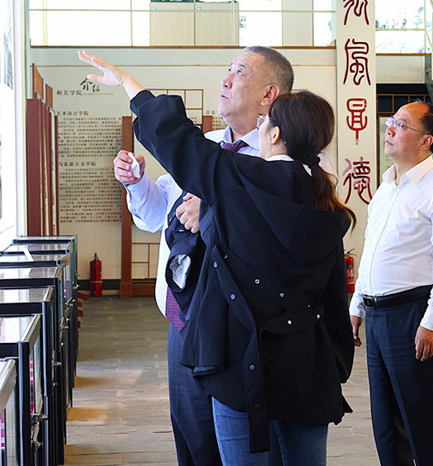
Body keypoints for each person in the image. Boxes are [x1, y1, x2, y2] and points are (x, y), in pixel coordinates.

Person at [81, 50, 355, 466]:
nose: (226, 80)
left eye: (239, 72)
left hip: (240, 346)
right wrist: (334, 361)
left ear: (273, 125)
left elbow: (177, 140)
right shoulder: (319, 190)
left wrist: (127, 83)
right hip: (298, 354)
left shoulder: (243, 177)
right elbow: (333, 289)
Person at [113, 45, 295, 466]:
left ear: (269, 94)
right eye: (227, 70)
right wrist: (137, 183)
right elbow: (158, 216)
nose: (225, 80)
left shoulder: (284, 160)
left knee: (245, 444)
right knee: (192, 439)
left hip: (242, 330)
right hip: (184, 322)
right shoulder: (206, 145)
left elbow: (274, 233)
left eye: (240, 72)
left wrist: (213, 209)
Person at [350, 101, 433, 465]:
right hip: (377, 315)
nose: (390, 129)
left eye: (402, 125)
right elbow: (372, 250)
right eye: (392, 122)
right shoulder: (387, 186)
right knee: (387, 426)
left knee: (426, 425)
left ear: (425, 141)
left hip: (414, 316)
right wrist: (356, 307)